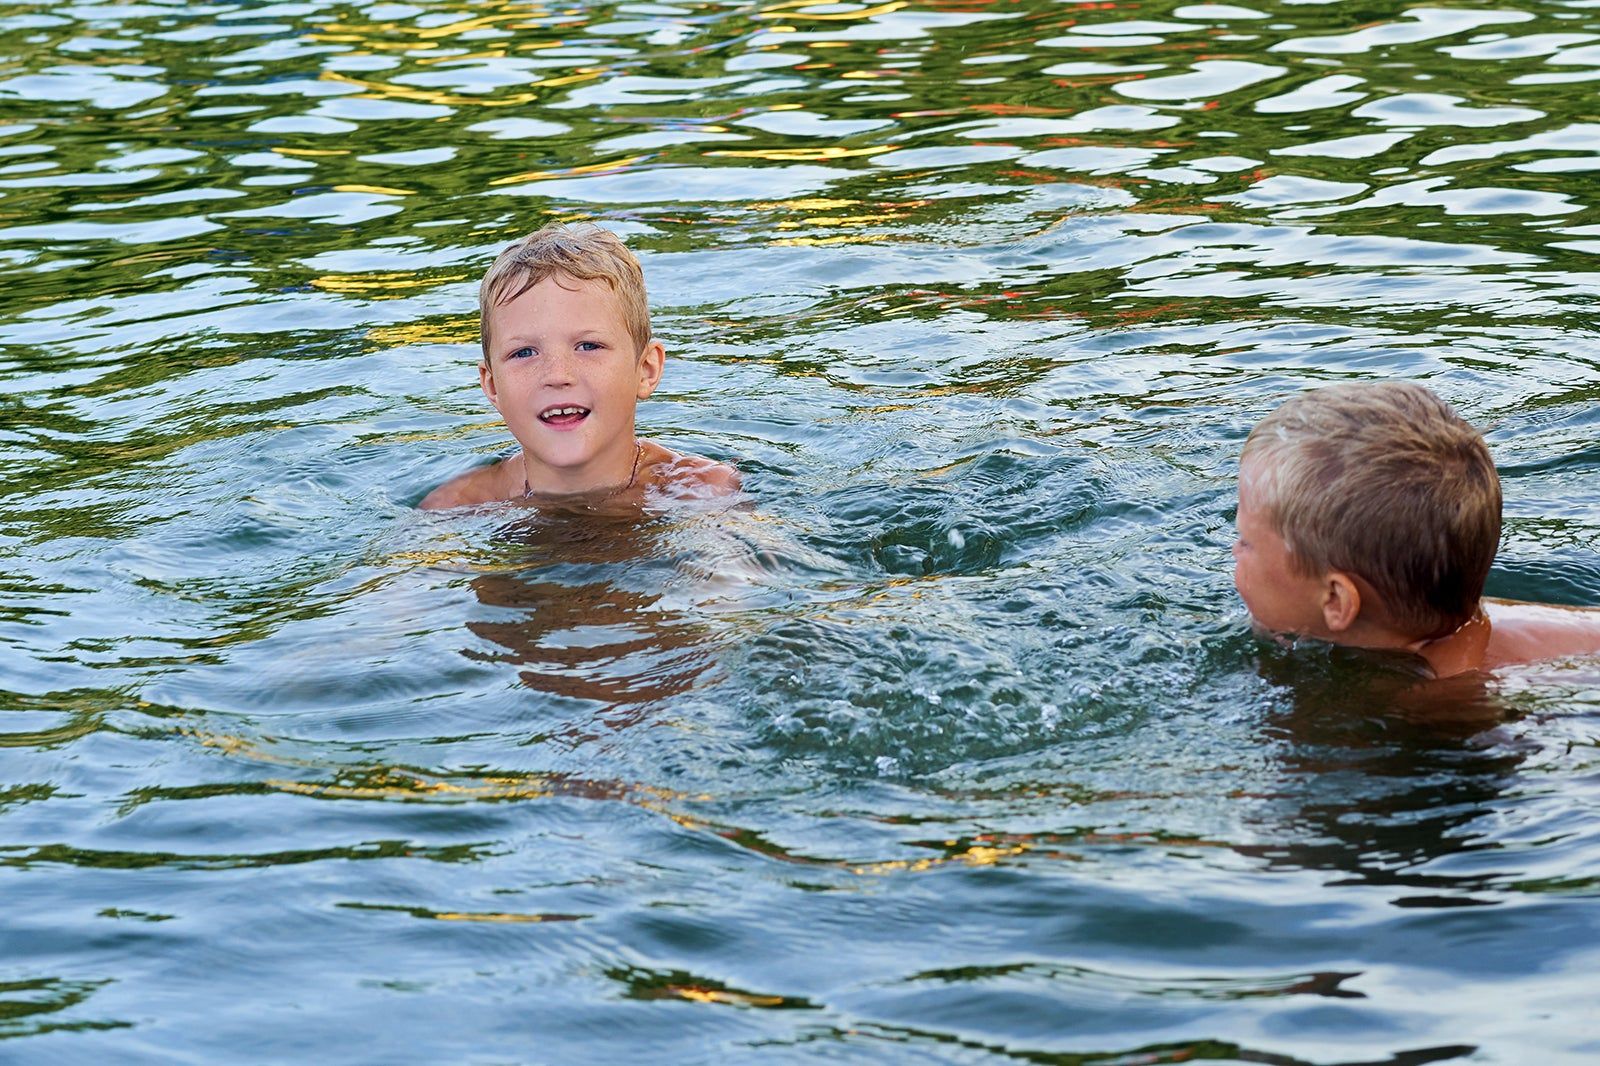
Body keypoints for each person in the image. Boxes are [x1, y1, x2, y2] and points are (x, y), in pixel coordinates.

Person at [1232, 381, 1600, 678]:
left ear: (1336, 600)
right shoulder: (1466, 625)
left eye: (1245, 541)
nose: (1233, 551)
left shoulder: (1443, 703)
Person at [421, 221, 739, 510]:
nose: (557, 375)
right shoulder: (456, 506)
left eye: (588, 346)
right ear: (492, 386)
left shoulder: (700, 490)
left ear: (646, 370)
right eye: (524, 352)